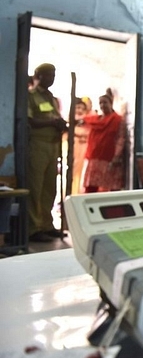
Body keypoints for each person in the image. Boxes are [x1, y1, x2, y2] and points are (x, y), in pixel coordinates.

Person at [26, 63, 67, 243]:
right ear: (38, 75)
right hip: (37, 146)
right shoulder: (30, 96)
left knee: (49, 188)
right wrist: (52, 123)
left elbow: (53, 118)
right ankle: (33, 229)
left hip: (53, 146)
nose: (52, 79)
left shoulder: (51, 97)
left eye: (54, 75)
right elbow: (30, 121)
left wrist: (60, 123)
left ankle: (47, 225)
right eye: (49, 75)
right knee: (36, 187)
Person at [80, 89, 125, 193]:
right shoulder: (95, 120)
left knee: (111, 187)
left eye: (105, 102)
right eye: (100, 103)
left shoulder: (118, 120)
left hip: (109, 159)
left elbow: (120, 139)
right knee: (91, 187)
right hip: (94, 158)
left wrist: (117, 156)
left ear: (111, 103)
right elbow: (82, 121)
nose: (102, 105)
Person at [71, 97, 91, 194]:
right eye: (78, 108)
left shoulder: (88, 121)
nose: (79, 110)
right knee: (73, 171)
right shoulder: (71, 121)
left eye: (82, 109)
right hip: (74, 147)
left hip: (84, 149)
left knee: (83, 171)